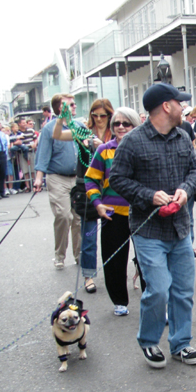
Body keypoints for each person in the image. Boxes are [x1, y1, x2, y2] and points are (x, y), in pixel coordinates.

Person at [108, 83, 196, 368]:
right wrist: (149, 196)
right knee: (159, 289)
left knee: (183, 290)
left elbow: (195, 169)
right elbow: (117, 179)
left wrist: (186, 189)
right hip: (149, 231)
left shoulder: (182, 136)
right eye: (179, 102)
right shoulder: (133, 141)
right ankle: (149, 341)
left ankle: (181, 344)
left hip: (180, 228)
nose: (183, 107)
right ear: (166, 106)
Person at [84, 106, 143, 316]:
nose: (120, 127)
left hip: (143, 213)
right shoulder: (104, 150)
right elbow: (90, 178)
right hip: (113, 213)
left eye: (126, 123)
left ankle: (153, 301)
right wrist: (97, 203)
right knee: (114, 261)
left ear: (135, 125)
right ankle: (119, 301)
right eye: (116, 123)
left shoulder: (144, 148)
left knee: (148, 259)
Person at [55, 98, 112, 292]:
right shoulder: (83, 132)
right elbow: (57, 135)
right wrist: (60, 118)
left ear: (109, 115)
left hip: (111, 189)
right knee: (88, 235)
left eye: (102, 115)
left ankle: (114, 275)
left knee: (112, 236)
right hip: (88, 189)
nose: (98, 119)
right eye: (94, 115)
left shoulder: (116, 132)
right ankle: (88, 276)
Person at [34, 94, 82, 270]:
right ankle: (60, 255)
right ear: (59, 108)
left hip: (78, 178)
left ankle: (79, 255)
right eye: (69, 104)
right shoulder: (49, 129)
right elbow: (43, 155)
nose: (74, 106)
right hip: (57, 178)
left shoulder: (79, 126)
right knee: (63, 215)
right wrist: (38, 179)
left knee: (78, 219)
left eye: (73, 103)